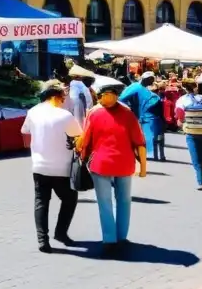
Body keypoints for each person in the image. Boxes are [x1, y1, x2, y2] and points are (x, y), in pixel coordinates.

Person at [81, 81, 147, 255]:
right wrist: (143, 168)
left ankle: (109, 238)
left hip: (100, 164)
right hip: (125, 164)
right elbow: (139, 142)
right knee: (124, 200)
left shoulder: (93, 114)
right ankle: (121, 236)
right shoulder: (129, 115)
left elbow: (85, 140)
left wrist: (82, 157)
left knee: (105, 202)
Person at [20, 80, 83, 253]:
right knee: (69, 199)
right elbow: (79, 137)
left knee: (41, 201)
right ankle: (61, 233)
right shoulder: (64, 116)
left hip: (39, 166)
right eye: (62, 97)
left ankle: (42, 240)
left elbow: (24, 132)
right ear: (54, 97)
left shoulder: (33, 112)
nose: (64, 100)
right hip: (61, 167)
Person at [175, 82, 202, 190]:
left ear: (184, 89)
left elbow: (179, 114)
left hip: (192, 132)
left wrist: (181, 121)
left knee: (196, 159)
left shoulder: (182, 100)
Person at [120, 72, 166, 162]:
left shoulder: (145, 89)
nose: (152, 82)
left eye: (153, 80)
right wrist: (129, 108)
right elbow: (122, 99)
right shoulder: (135, 87)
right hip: (138, 116)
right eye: (150, 80)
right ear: (145, 79)